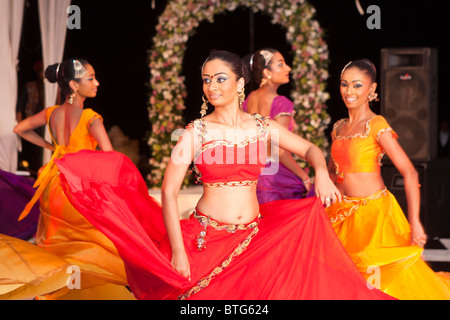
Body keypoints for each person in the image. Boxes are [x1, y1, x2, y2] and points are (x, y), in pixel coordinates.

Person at [55, 50, 394, 300]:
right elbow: (169, 192)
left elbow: (310, 150)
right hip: (206, 240)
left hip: (254, 238)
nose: (212, 86)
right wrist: (177, 250)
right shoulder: (195, 132)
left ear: (240, 82)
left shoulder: (261, 127)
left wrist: (320, 172)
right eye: (206, 79)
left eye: (220, 78)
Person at [1, 59, 134, 300]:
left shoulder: (52, 113)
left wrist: (51, 146)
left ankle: (59, 292)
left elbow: (19, 128)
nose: (97, 82)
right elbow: (110, 156)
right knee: (87, 243)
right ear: (73, 85)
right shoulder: (90, 117)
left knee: (59, 242)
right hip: (80, 186)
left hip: (55, 182)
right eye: (90, 78)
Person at [326, 59, 450, 299]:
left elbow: (410, 172)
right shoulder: (339, 127)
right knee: (345, 282)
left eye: (357, 85)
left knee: (379, 283)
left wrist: (415, 221)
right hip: (343, 214)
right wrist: (322, 183)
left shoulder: (376, 125)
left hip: (376, 216)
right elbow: (333, 170)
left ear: (371, 90)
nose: (349, 91)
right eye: (344, 84)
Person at [241, 48, 314, 203]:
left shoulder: (248, 100)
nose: (288, 68)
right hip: (274, 177)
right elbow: (280, 152)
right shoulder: (281, 103)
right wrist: (304, 176)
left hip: (252, 173)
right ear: (267, 73)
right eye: (281, 65)